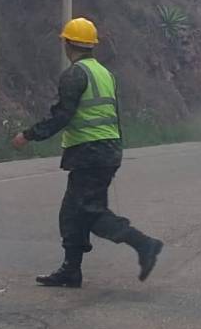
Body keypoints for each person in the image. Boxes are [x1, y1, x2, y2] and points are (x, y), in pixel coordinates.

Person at [11, 18, 163, 288]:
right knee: (72, 212)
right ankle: (71, 270)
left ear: (68, 44)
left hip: (90, 153)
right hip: (106, 150)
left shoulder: (75, 74)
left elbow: (62, 116)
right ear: (91, 45)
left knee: (89, 213)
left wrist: (28, 135)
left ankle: (144, 244)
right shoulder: (105, 73)